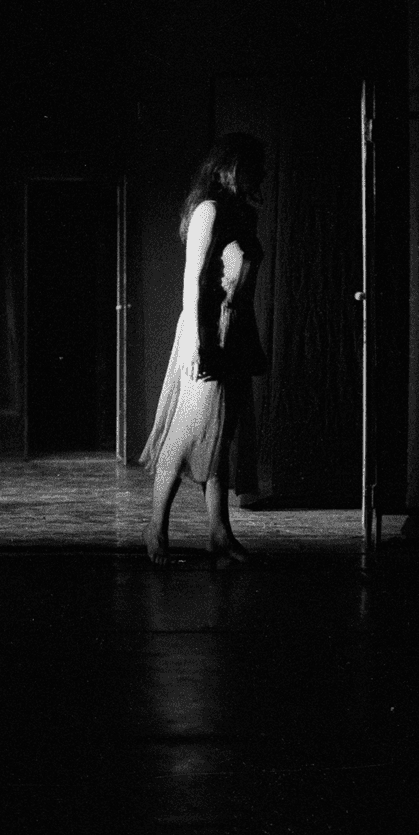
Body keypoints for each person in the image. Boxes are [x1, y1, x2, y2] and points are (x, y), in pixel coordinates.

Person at [141, 133, 268, 566]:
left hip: (236, 331)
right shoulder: (209, 212)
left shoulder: (241, 214)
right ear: (228, 168)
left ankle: (218, 532)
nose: (259, 175)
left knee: (221, 433)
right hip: (209, 330)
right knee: (187, 432)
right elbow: (192, 283)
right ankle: (155, 527)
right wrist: (199, 343)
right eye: (251, 166)